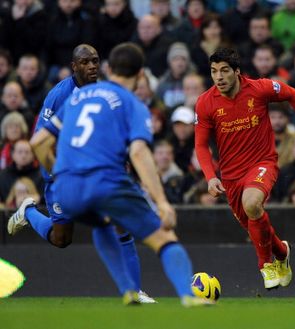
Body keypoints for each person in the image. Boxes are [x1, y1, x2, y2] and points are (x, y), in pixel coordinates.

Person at [48, 42, 211, 307]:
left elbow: (40, 142)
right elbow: (138, 152)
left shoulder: (77, 97)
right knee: (164, 237)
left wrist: (61, 171)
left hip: (65, 187)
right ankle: (189, 296)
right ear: (139, 76)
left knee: (101, 225)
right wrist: (162, 202)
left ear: (109, 68)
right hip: (105, 181)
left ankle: (128, 291)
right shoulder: (131, 103)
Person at [7, 44, 156, 304]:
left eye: (96, 61)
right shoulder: (59, 95)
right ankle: (29, 211)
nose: (92, 67)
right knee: (61, 239)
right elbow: (41, 140)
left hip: (97, 171)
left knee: (121, 222)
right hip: (62, 173)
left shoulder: (106, 92)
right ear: (74, 66)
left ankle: (135, 290)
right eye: (86, 62)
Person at [195, 47, 295, 289]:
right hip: (231, 176)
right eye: (214, 72)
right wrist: (211, 177)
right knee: (257, 226)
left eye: (224, 71)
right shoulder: (205, 103)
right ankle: (282, 252)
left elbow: (292, 93)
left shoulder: (259, 88)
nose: (219, 77)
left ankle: (266, 266)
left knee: (253, 203)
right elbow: (201, 146)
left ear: (237, 72)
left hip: (262, 162)